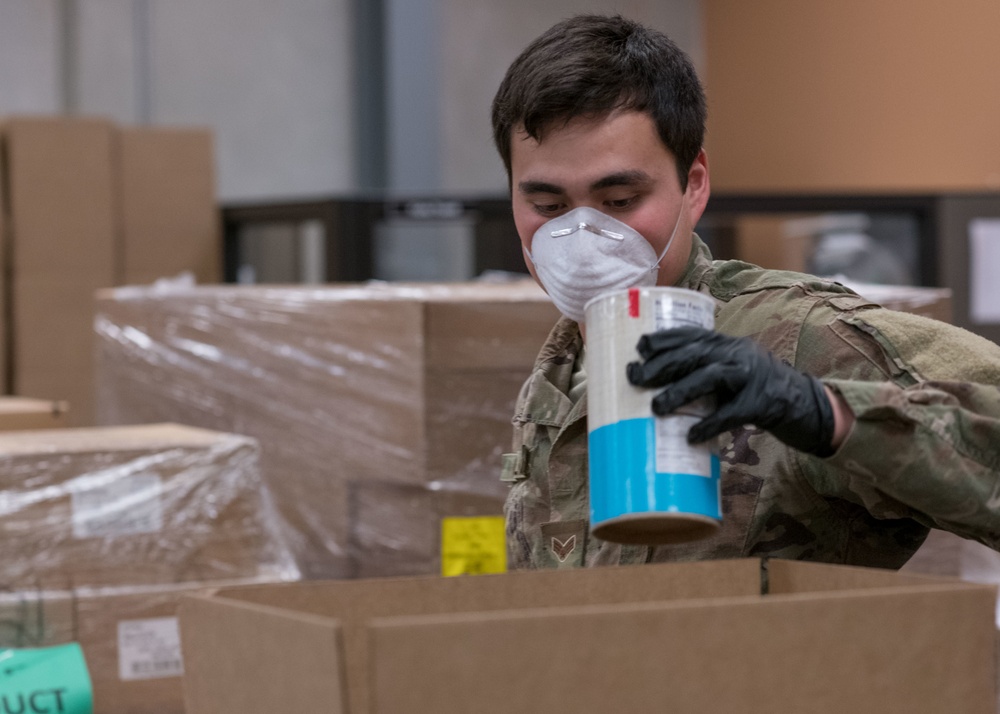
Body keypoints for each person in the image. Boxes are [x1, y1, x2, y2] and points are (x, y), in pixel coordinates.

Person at [491, 13, 1000, 570]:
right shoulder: (559, 377)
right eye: (547, 206)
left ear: (694, 186)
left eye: (619, 201)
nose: (581, 237)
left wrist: (825, 414)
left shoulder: (800, 339)